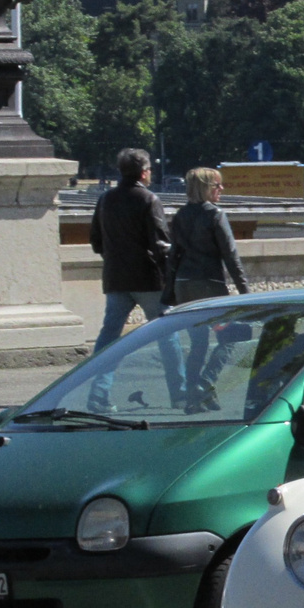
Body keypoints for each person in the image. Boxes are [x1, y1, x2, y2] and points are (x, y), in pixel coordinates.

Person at [87, 148, 179, 412]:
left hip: (116, 277)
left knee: (108, 339)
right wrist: (169, 278)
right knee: (168, 337)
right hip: (148, 278)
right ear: (144, 172)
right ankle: (179, 393)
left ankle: (98, 397)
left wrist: (114, 257)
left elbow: (95, 241)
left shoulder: (105, 200)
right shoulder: (149, 199)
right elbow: (161, 243)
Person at [167, 167, 250, 413]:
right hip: (209, 286)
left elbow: (173, 255)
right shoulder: (215, 215)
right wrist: (246, 292)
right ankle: (206, 383)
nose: (221, 189)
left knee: (198, 343)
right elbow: (231, 257)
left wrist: (171, 288)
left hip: (184, 286)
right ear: (205, 188)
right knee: (231, 337)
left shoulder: (180, 215)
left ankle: (195, 395)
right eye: (217, 185)